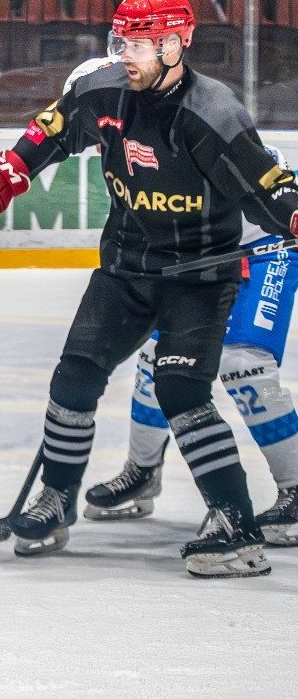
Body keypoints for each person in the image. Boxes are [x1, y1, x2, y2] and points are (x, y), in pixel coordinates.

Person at [0, 0, 298, 578]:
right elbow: (51, 130)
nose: (125, 54)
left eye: (138, 44)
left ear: (175, 43)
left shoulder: (211, 112)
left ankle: (234, 526)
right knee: (73, 378)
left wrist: (291, 213)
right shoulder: (104, 88)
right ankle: (55, 501)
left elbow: (266, 185)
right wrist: (8, 170)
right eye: (121, 41)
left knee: (181, 390)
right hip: (126, 269)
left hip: (198, 277)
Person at [86, 151, 298, 547]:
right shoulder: (123, 143)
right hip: (199, 256)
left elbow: (270, 173)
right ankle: (143, 470)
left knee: (244, 365)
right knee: (156, 361)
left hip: (266, 245)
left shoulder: (181, 118)